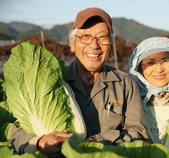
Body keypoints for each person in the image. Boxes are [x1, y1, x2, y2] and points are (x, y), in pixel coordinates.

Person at [11, 7, 148, 157]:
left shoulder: (125, 83)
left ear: (111, 44)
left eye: (103, 38)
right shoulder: (55, 80)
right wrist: (39, 142)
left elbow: (138, 133)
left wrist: (99, 141)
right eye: (85, 37)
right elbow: (18, 131)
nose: (94, 45)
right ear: (72, 42)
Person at [128, 37, 169, 144]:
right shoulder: (131, 98)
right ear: (138, 69)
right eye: (150, 62)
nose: (159, 69)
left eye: (165, 60)